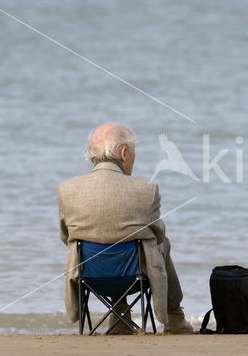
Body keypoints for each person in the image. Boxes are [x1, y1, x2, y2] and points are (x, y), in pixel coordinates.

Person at [58, 123, 193, 334]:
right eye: (133, 152)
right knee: (160, 245)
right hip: (135, 276)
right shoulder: (146, 190)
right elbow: (158, 235)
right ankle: (175, 318)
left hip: (89, 275)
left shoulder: (67, 190)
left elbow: (66, 237)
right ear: (124, 153)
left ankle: (120, 316)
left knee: (103, 243)